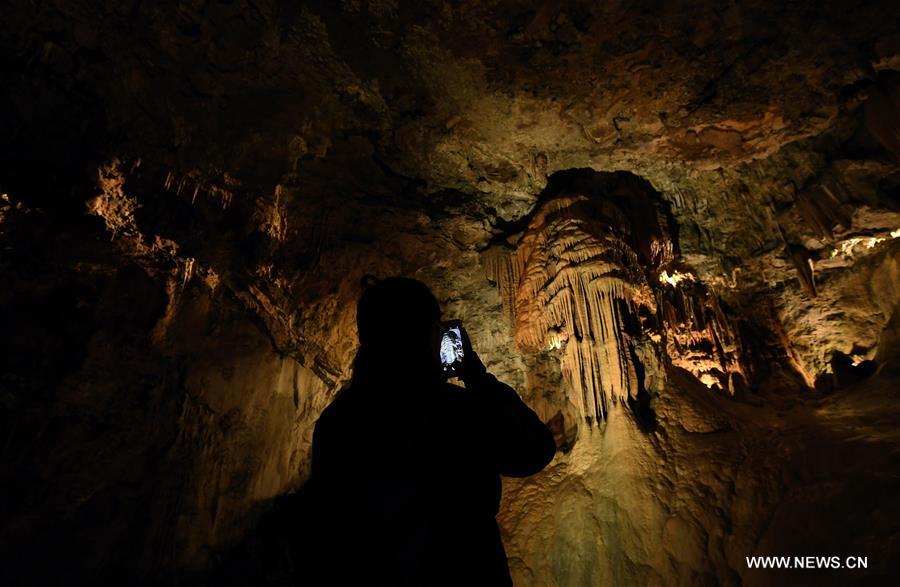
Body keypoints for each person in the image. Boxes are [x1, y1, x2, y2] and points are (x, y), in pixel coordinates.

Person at [307, 276, 556, 586]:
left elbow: (327, 528)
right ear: (427, 336)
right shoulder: (456, 411)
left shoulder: (337, 422)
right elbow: (537, 448)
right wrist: (477, 376)